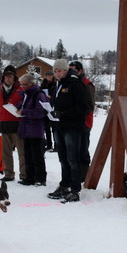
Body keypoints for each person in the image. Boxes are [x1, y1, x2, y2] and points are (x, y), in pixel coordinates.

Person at [47, 59, 90, 203]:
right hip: (59, 126)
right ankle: (64, 185)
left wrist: (63, 113)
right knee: (63, 159)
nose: (57, 73)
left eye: (59, 71)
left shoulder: (75, 83)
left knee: (73, 159)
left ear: (65, 70)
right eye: (55, 71)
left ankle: (75, 189)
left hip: (72, 127)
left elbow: (83, 107)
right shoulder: (59, 84)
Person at [16, 73, 49, 186]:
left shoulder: (38, 94)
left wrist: (24, 112)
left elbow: (40, 112)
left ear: (31, 83)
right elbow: (24, 106)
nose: (22, 87)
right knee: (28, 155)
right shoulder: (26, 94)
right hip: (26, 129)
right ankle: (30, 177)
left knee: (37, 156)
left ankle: (40, 178)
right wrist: (18, 108)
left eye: (24, 85)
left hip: (36, 130)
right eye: (21, 85)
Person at [0, 65, 26, 182]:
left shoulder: (20, 89)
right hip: (4, 123)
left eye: (11, 76)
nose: (8, 78)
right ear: (3, 77)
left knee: (22, 153)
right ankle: (8, 173)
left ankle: (24, 175)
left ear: (14, 77)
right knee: (6, 153)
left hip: (17, 124)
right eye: (6, 76)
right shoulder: (0, 89)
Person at [69, 60, 95, 181]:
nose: (72, 72)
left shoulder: (87, 85)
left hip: (84, 122)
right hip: (72, 123)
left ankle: (84, 176)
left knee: (83, 149)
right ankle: (75, 174)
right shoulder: (70, 83)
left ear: (80, 71)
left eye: (74, 70)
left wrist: (75, 110)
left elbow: (90, 106)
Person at [40, 70, 56, 151]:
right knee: (46, 127)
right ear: (45, 76)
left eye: (51, 75)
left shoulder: (55, 84)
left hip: (53, 106)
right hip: (45, 107)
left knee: (54, 127)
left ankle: (56, 145)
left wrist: (51, 96)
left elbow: (56, 95)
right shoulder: (42, 84)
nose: (50, 76)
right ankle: (49, 145)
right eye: (48, 75)